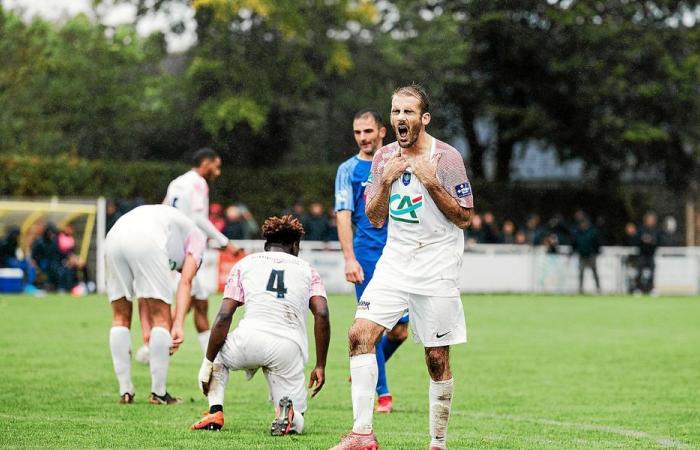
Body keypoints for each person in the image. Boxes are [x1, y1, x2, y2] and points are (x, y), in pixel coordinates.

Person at [333, 84, 474, 450]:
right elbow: (375, 217)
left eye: (408, 112)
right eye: (396, 111)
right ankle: (362, 433)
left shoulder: (446, 158)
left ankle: (437, 442)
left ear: (423, 118)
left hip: (437, 265)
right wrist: (385, 179)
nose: (401, 118)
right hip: (394, 262)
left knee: (436, 357)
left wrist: (431, 183)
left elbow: (465, 218)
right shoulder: (382, 159)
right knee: (359, 335)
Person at [191, 215, 330, 436]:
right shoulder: (307, 269)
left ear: (267, 244)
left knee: (217, 353)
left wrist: (208, 362)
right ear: (295, 245)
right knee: (297, 417)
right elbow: (321, 313)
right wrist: (320, 364)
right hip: (287, 347)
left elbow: (224, 316)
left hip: (248, 339)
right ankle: (287, 416)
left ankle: (215, 410)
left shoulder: (244, 264)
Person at [136, 148, 241, 364]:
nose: (218, 172)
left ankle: (209, 359)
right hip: (185, 252)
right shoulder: (198, 183)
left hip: (169, 247)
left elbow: (163, 210)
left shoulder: (176, 182)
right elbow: (198, 218)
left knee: (199, 303)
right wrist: (225, 243)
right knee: (184, 304)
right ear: (206, 163)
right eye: (216, 166)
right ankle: (155, 348)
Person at [334, 109, 408, 414]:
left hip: (401, 254)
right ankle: (383, 394)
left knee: (400, 332)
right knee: (371, 326)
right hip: (366, 256)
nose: (362, 138)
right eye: (357, 132)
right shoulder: (348, 170)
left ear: (382, 132)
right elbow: (343, 216)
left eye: (368, 131)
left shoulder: (399, 162)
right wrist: (350, 258)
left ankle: (366, 367)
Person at [105, 205, 206, 404]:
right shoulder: (198, 239)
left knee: (120, 317)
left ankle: (125, 390)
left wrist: (145, 329)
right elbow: (185, 283)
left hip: (114, 237)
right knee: (162, 319)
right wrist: (177, 325)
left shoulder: (171, 227)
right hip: (147, 239)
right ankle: (158, 394)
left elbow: (145, 292)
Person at [572, 216, 601, 293]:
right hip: (582, 255)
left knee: (594, 272)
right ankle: (580, 289)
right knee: (581, 272)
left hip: (591, 255)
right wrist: (574, 250)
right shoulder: (578, 233)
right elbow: (575, 243)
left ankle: (598, 288)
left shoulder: (592, 232)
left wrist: (596, 252)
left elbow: (596, 243)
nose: (582, 225)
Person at [635, 212, 663, 294]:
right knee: (639, 272)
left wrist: (653, 241)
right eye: (649, 219)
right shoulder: (641, 229)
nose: (650, 221)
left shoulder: (656, 230)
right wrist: (642, 240)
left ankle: (651, 288)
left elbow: (660, 241)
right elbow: (635, 241)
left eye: (652, 220)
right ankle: (638, 288)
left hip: (651, 254)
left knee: (652, 272)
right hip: (642, 254)